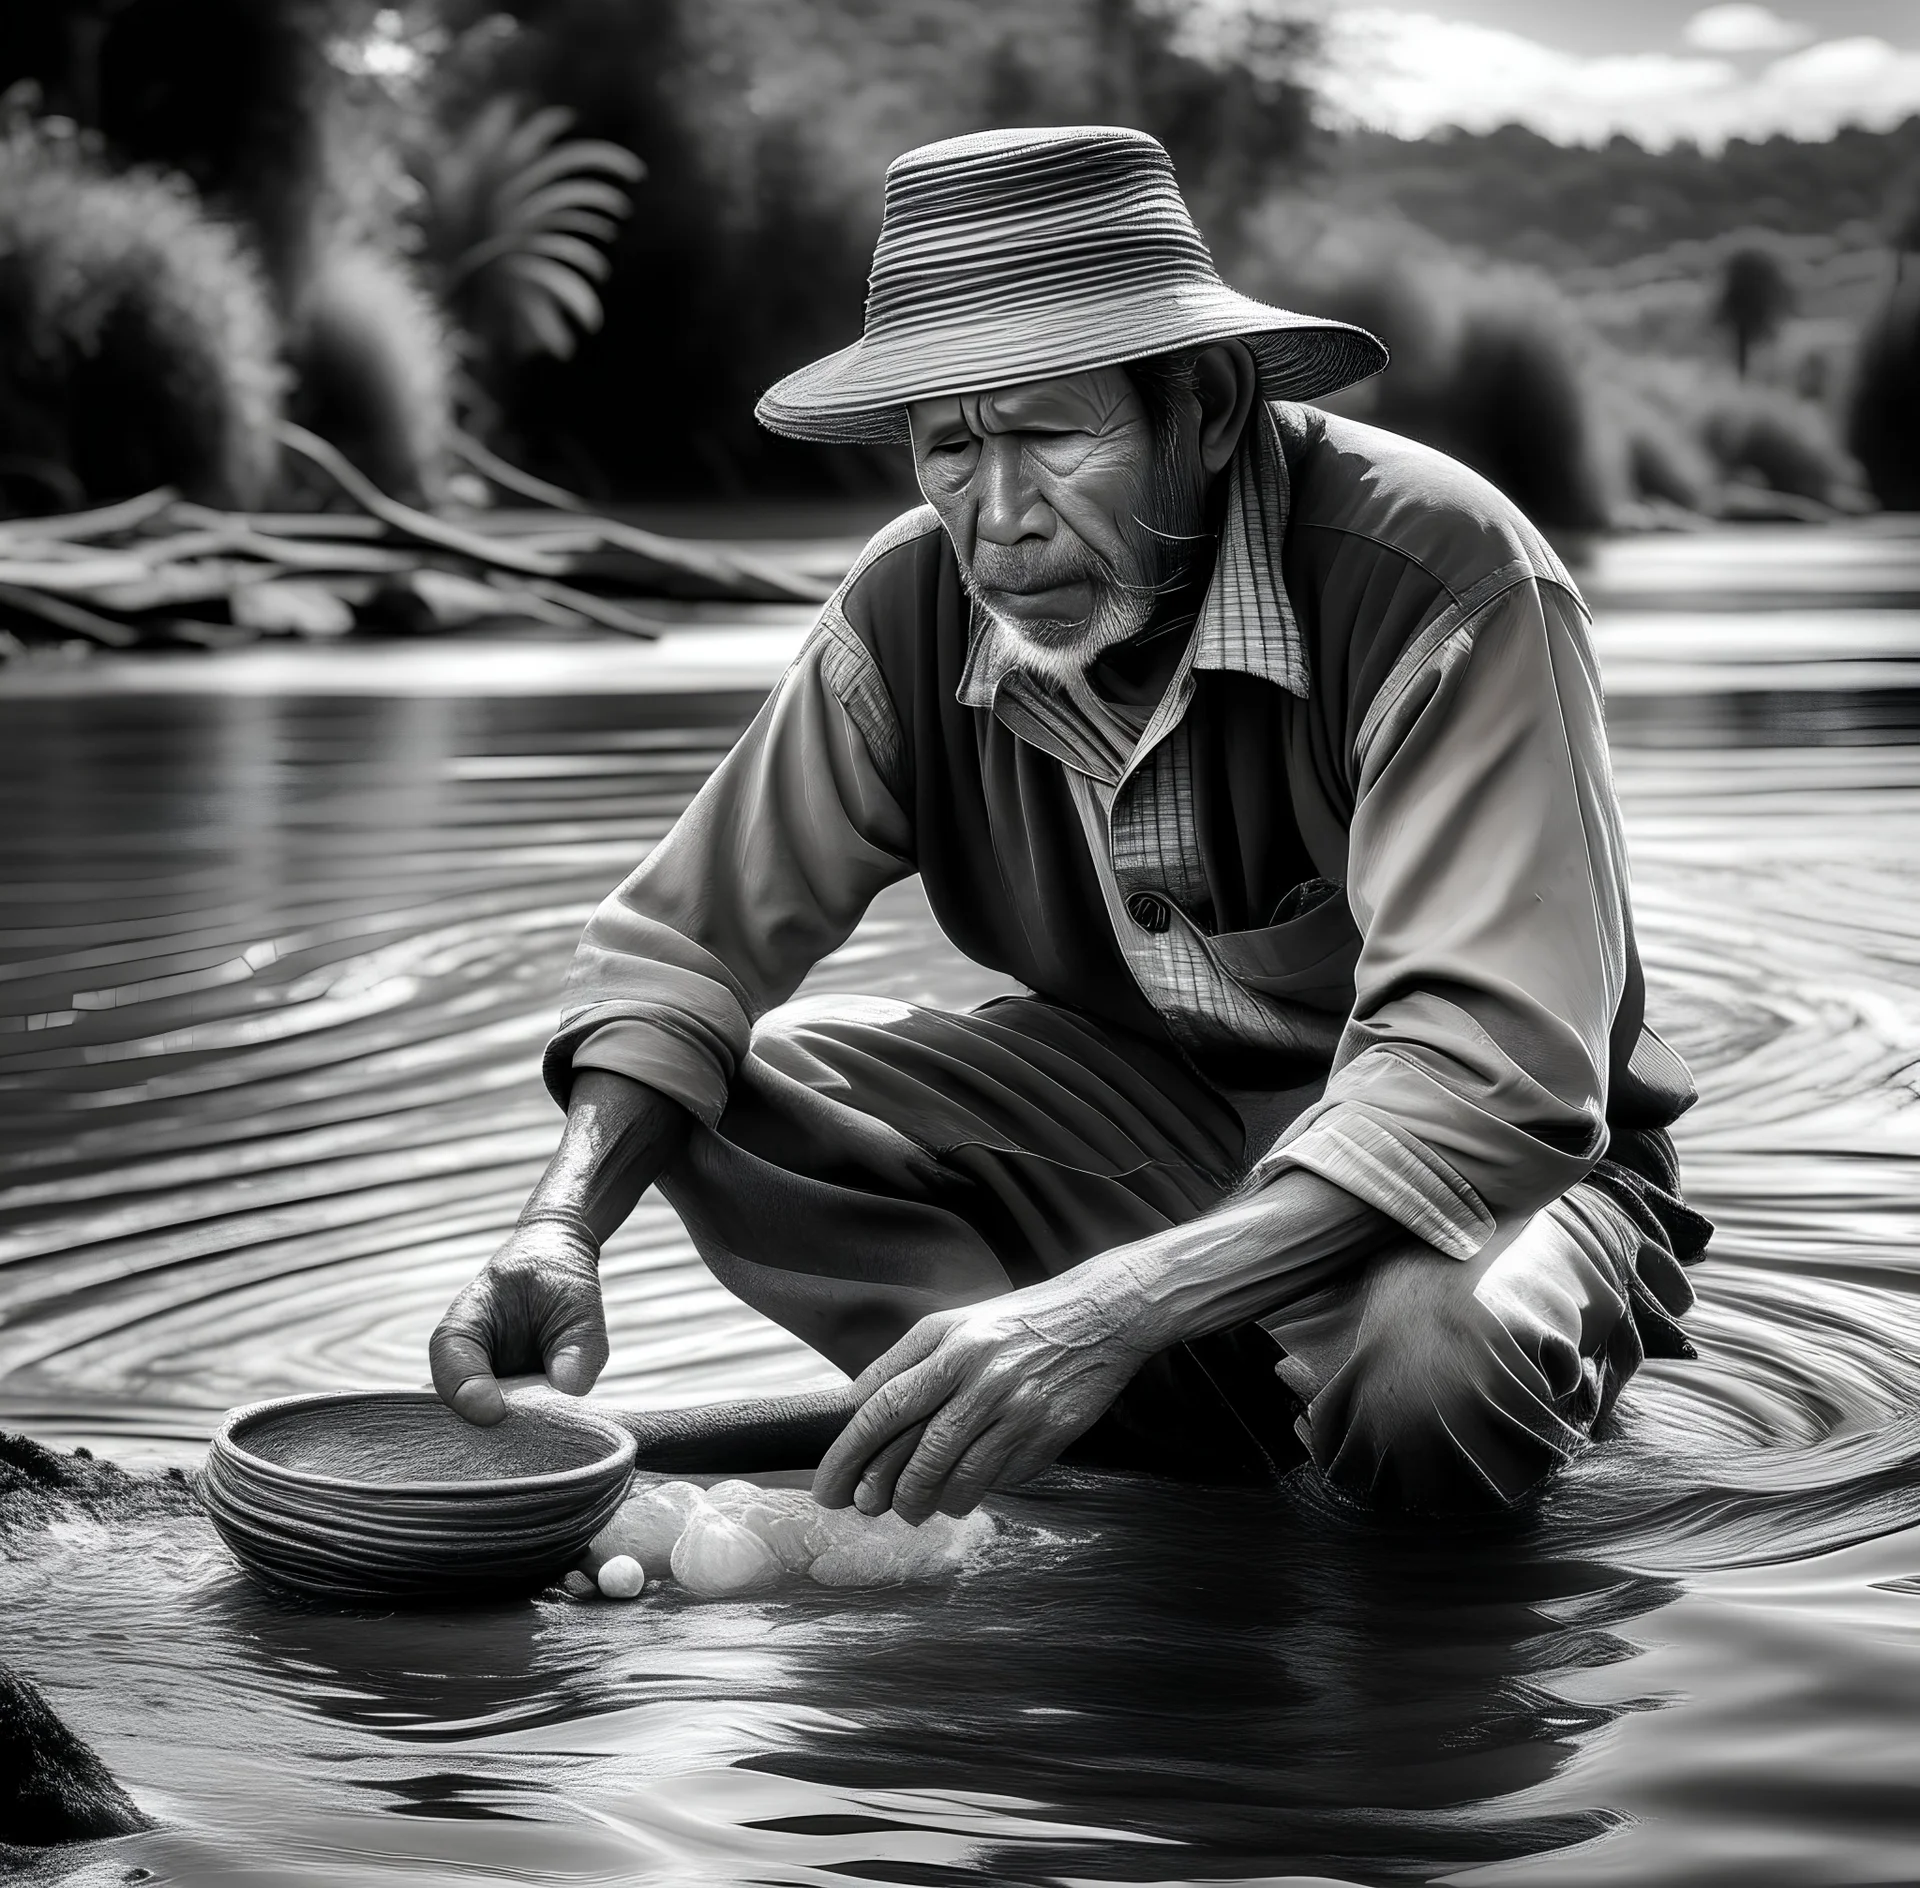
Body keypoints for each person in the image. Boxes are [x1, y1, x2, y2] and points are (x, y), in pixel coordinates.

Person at [428, 125, 1710, 1519]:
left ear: (1208, 408)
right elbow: (681, 952)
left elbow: (1489, 1084)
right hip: (1152, 1155)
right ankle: (1040, 1413)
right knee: (722, 1092)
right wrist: (559, 1221)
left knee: (1427, 1379)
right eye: (947, 449)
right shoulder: (909, 606)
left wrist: (1096, 1313)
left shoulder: (1440, 578)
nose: (996, 523)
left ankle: (1113, 1391)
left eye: (1046, 436)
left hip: (1489, 1185)